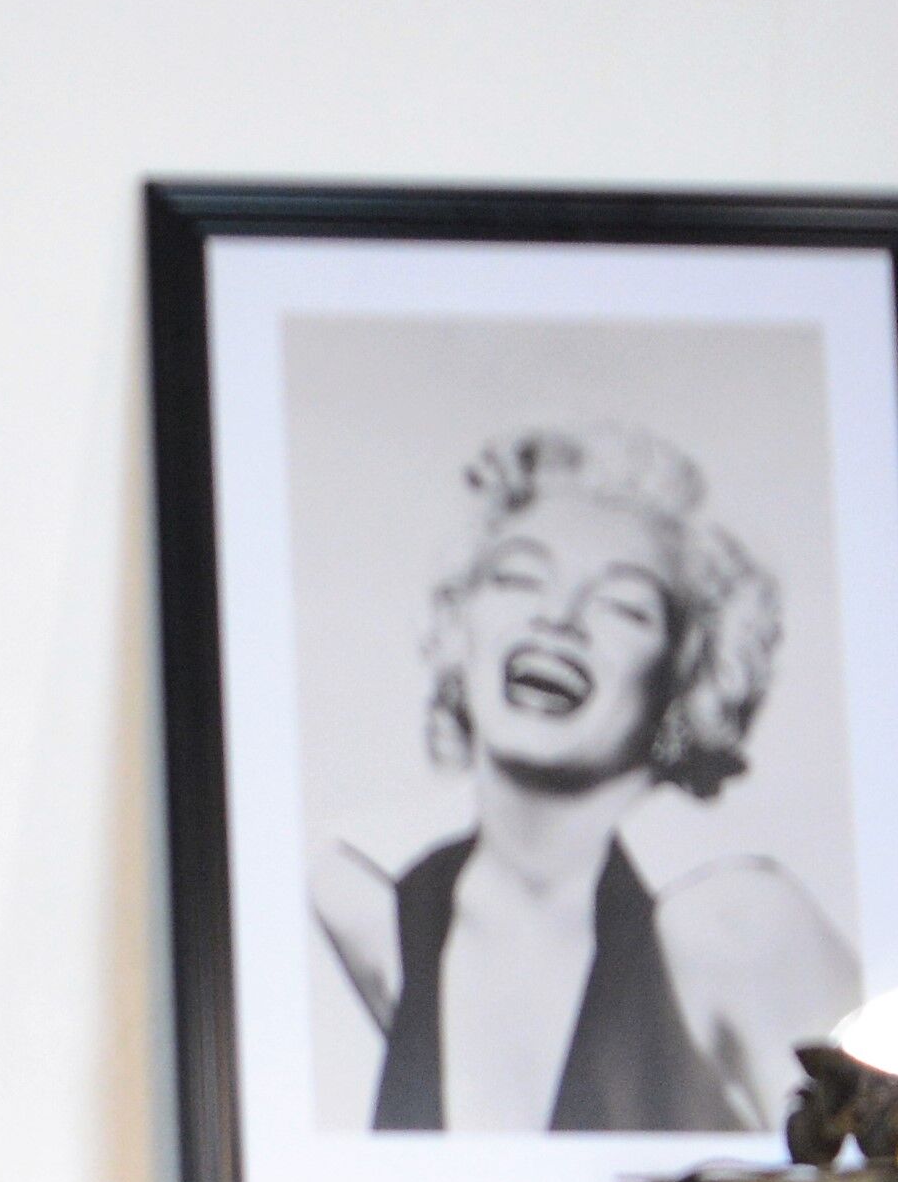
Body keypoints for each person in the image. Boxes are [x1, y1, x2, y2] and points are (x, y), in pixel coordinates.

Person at [312, 423, 862, 1133]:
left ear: (689, 673)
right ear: (455, 625)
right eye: (518, 577)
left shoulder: (740, 929)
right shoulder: (373, 916)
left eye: (624, 605)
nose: (558, 618)